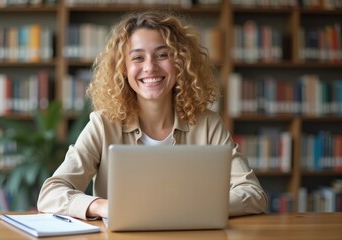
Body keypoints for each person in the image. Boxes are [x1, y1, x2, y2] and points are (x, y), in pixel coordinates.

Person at [37, 10, 267, 220]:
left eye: (162, 55)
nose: (150, 67)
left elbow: (253, 194)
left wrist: (197, 207)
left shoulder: (208, 124)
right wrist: (103, 206)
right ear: (123, 69)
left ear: (180, 62)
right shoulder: (103, 124)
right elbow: (51, 193)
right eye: (137, 57)